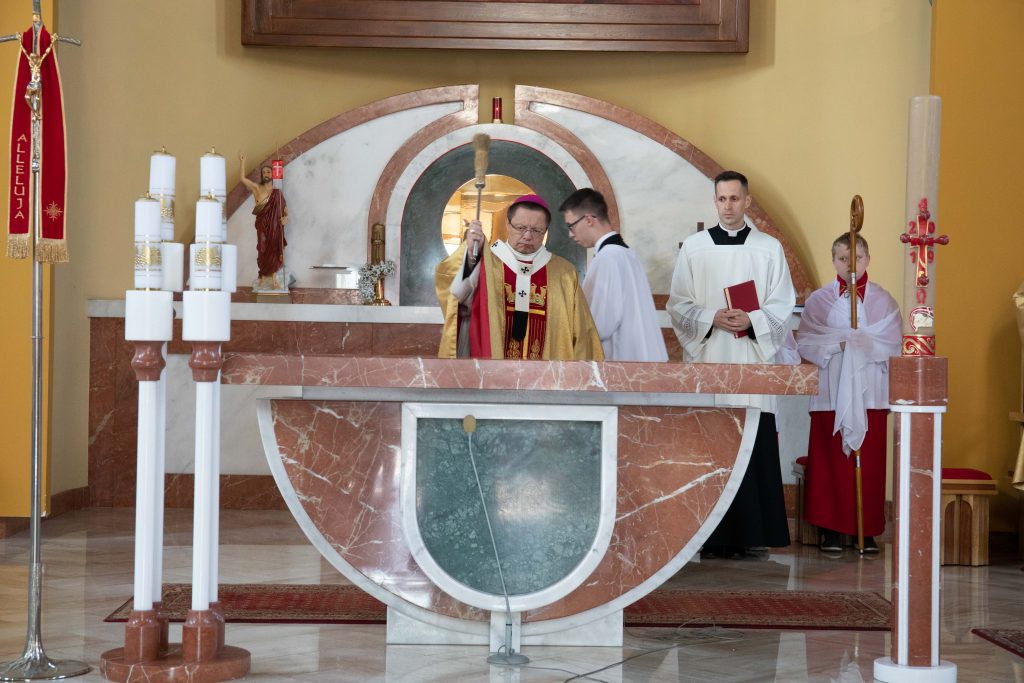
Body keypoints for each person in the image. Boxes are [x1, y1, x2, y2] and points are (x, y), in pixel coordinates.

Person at [667, 170, 795, 558]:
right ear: (715, 201)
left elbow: (782, 305)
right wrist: (712, 317)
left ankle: (753, 534)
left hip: (751, 362)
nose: (728, 206)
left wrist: (752, 320)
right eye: (722, 199)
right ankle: (709, 536)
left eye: (735, 199)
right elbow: (678, 304)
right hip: (709, 359)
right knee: (710, 443)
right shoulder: (694, 248)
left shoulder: (769, 248)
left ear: (747, 201)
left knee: (752, 441)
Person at [797, 233, 900, 554]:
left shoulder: (884, 301)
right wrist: (838, 343)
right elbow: (806, 341)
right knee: (831, 462)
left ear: (868, 259)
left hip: (870, 392)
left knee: (868, 463)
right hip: (832, 389)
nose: (851, 265)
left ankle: (865, 530)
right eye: (843, 259)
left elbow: (894, 343)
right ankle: (830, 529)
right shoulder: (818, 301)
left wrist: (867, 343)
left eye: (857, 258)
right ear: (833, 261)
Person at [435, 194, 602, 360]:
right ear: (508, 224)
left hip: (547, 374)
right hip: (495, 372)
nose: (528, 236)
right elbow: (457, 299)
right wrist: (472, 255)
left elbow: (582, 333)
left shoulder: (564, 274)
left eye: (536, 230)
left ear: (545, 231)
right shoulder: (487, 264)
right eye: (521, 228)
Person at [559, 188, 668, 361]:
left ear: (588, 220)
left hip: (621, 363)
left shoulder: (608, 258)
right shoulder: (625, 254)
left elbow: (599, 324)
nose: (570, 234)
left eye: (571, 226)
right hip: (642, 360)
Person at [239, 152, 289, 290]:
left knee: (274, 249)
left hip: (275, 225)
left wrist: (286, 217)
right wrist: (242, 162)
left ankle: (273, 278)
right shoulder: (257, 188)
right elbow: (242, 179)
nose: (266, 174)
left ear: (273, 174)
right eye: (264, 172)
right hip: (262, 224)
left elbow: (284, 208)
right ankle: (262, 276)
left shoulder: (277, 191)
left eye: (268, 171)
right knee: (262, 248)